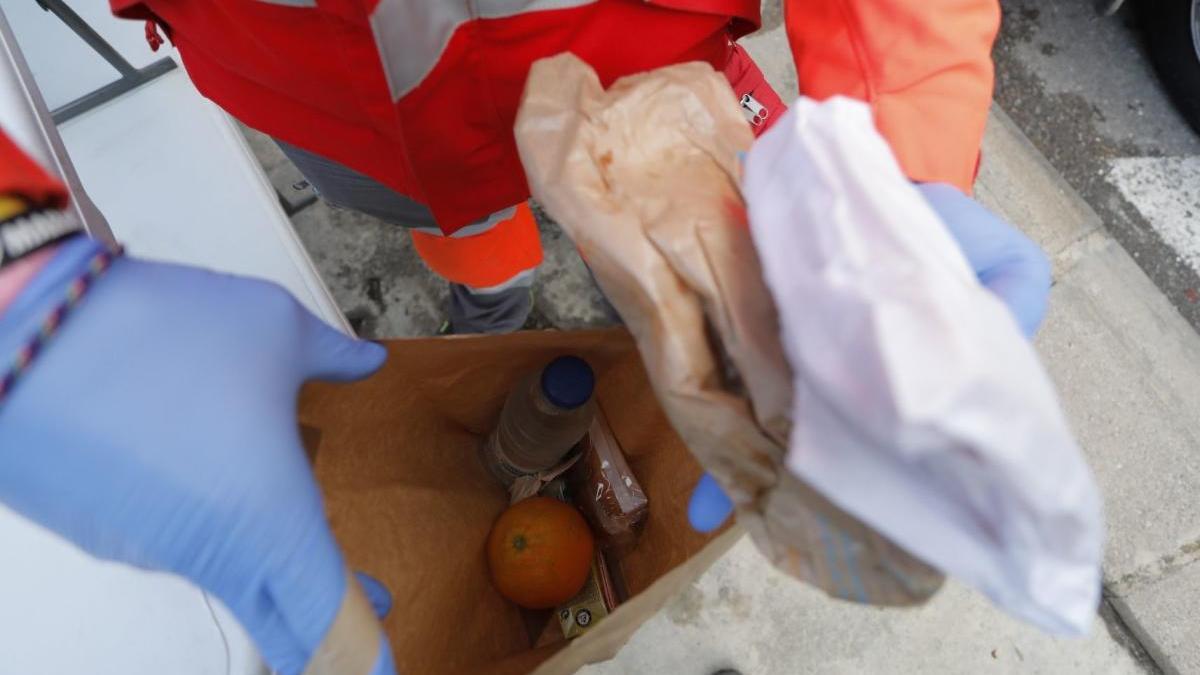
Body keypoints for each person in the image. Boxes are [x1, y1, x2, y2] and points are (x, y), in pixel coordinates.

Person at [0, 1, 1051, 674]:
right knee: (468, 244)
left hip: (633, 87)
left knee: (647, 268)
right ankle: (491, 295)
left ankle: (560, 299)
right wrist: (20, 267)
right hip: (327, 106)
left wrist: (894, 164)